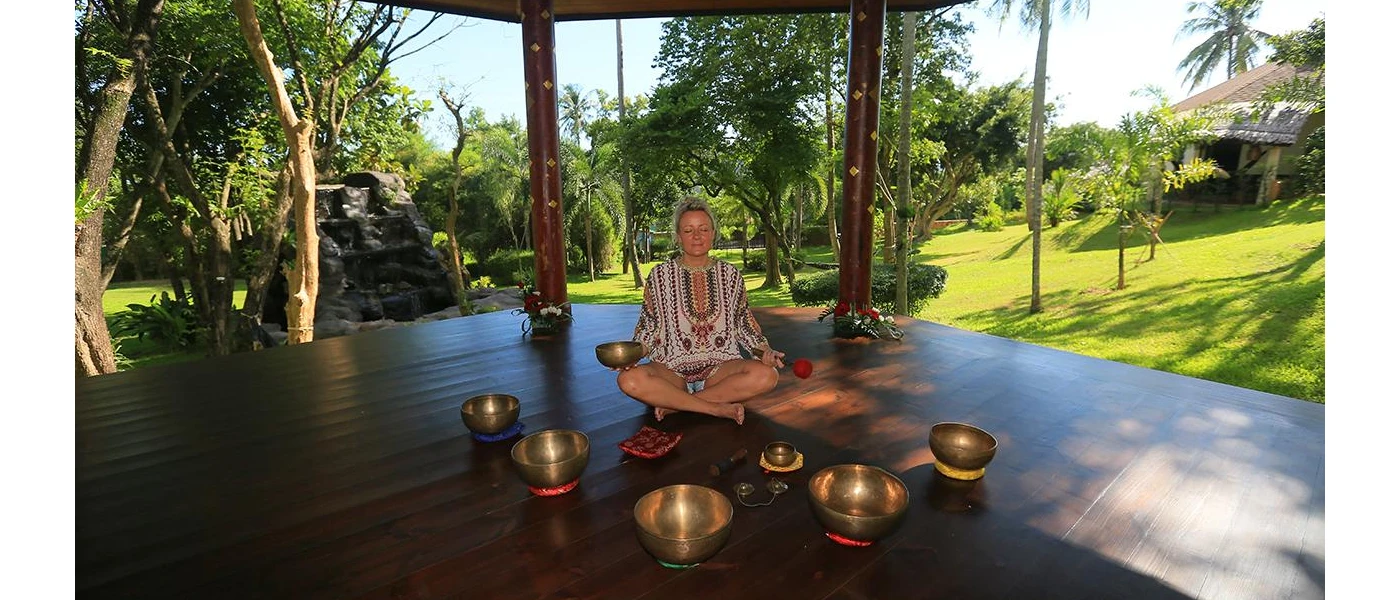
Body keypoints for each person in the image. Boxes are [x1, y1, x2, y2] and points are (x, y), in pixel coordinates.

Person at [614, 196, 786, 425]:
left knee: (767, 375)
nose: (697, 236)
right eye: (688, 230)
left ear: (713, 233)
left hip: (720, 369)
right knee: (629, 380)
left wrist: (765, 351)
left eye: (703, 229)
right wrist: (630, 357)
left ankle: (677, 405)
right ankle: (714, 408)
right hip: (671, 370)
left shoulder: (731, 275)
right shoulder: (659, 276)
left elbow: (743, 324)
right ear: (678, 236)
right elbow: (649, 327)